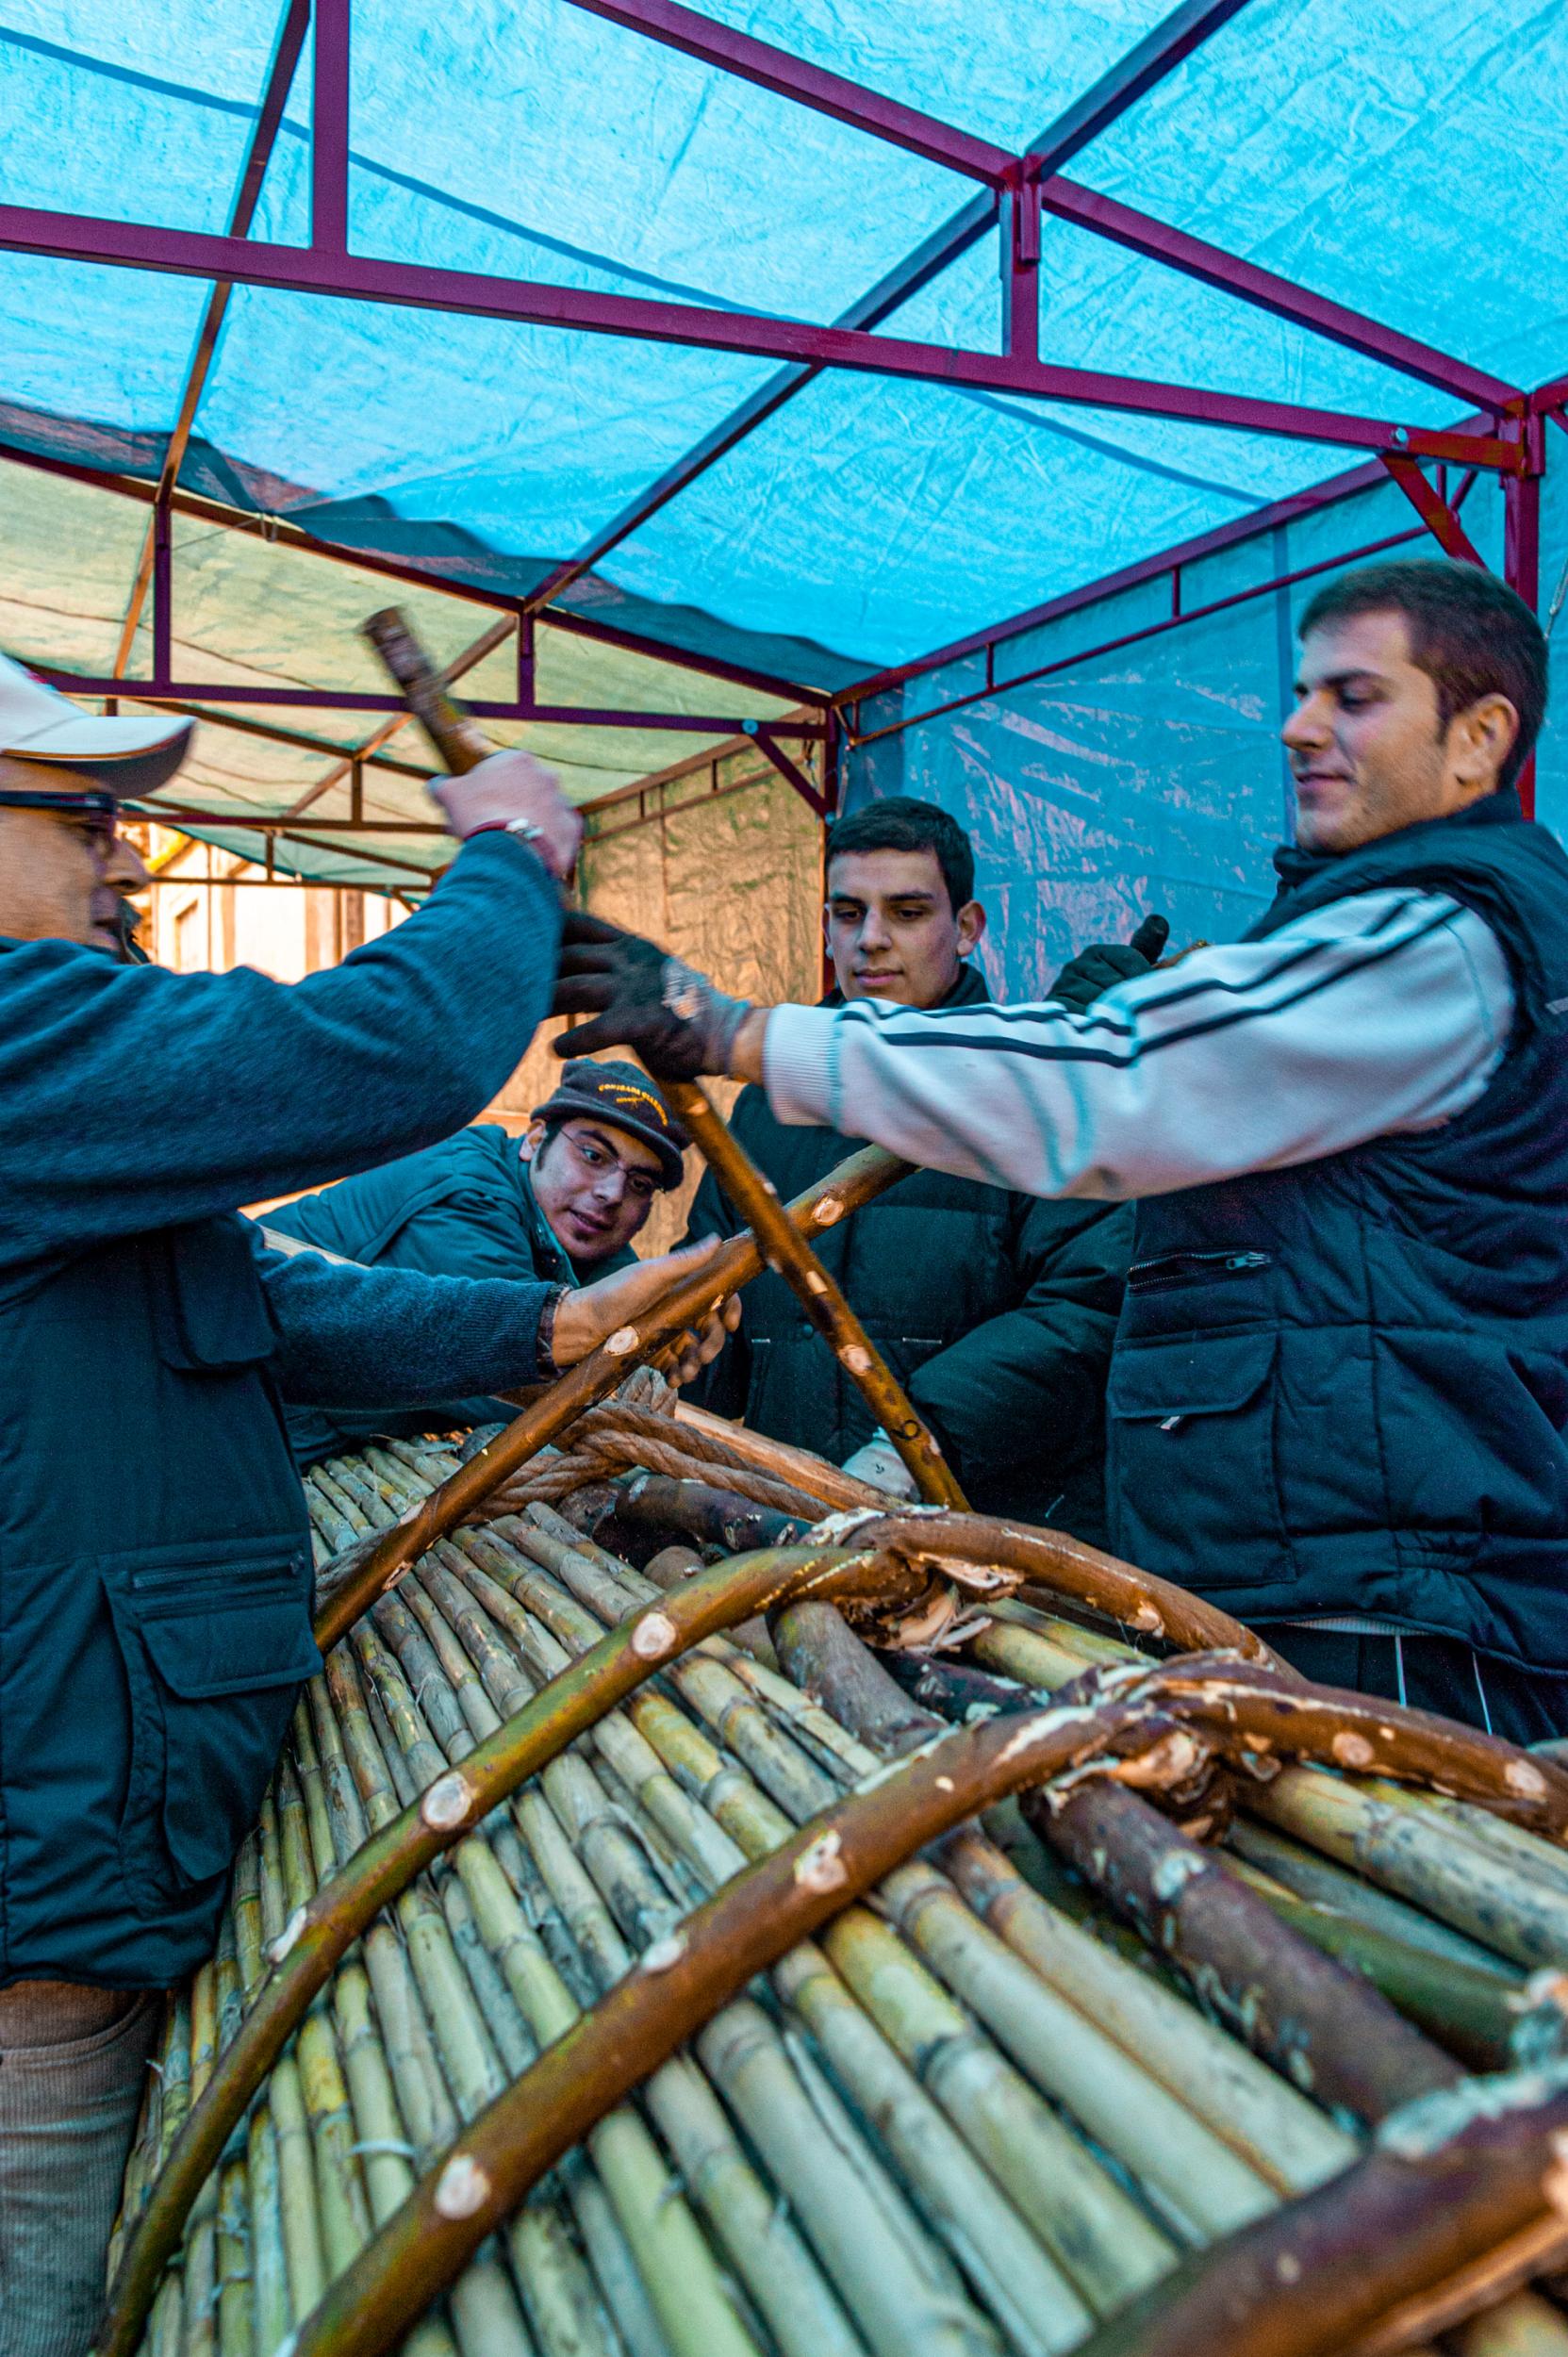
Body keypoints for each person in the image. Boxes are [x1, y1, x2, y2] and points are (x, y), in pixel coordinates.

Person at [0, 651, 734, 2357]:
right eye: (92, 818)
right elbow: (380, 1049)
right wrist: (509, 860)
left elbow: (252, 1292)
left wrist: (537, 1328)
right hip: (35, 1866)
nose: (131, 863)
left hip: (78, 1841)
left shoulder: (64, 1131)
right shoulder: (18, 1047)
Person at [553, 559, 1568, 1744]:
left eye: (1353, 697)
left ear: (1478, 735)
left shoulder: (1435, 934)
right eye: (1299, 694)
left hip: (1389, 1594)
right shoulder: (1394, 917)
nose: (1297, 728)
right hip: (1318, 1558)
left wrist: (730, 1027)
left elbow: (1121, 1087)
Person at [683, 797, 1134, 1537]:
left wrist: (909, 1449)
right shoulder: (768, 1106)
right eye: (847, 913)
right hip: (792, 1532)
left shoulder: (1034, 1085)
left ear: (966, 929)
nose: (871, 941)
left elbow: (1087, 1306)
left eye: (907, 912)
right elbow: (714, 1304)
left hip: (989, 1542)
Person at [266, 1059, 691, 1462]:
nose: (612, 1193)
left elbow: (623, 1297)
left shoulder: (569, 1223)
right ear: (535, 1139)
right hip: (240, 1418)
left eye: (639, 1184)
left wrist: (686, 1309)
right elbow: (516, 1383)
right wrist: (648, 1344)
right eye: (593, 1156)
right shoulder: (468, 1201)